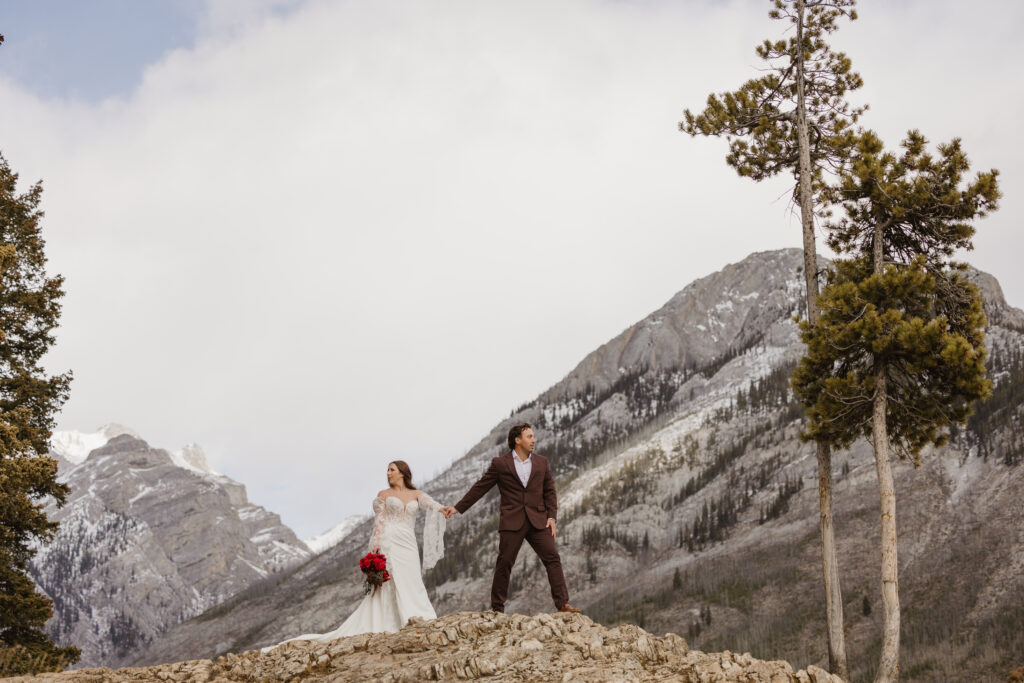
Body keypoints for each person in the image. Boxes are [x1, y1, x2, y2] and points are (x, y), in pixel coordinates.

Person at [266, 461, 447, 649]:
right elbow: (380, 521)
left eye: (391, 470)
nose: (388, 473)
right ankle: (390, 622)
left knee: (411, 579)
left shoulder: (416, 495)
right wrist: (376, 544)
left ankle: (417, 615)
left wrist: (443, 509)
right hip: (389, 541)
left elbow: (431, 504)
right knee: (390, 580)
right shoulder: (383, 495)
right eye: (387, 470)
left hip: (408, 542)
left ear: (402, 473)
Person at [441, 423, 580, 614]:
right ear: (517, 440)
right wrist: (457, 508)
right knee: (504, 563)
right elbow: (481, 487)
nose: (534, 440)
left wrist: (552, 517)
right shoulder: (500, 463)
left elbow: (550, 492)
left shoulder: (542, 462)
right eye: (529, 436)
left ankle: (563, 604)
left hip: (538, 521)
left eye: (533, 436)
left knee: (553, 558)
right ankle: (497, 609)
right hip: (512, 521)